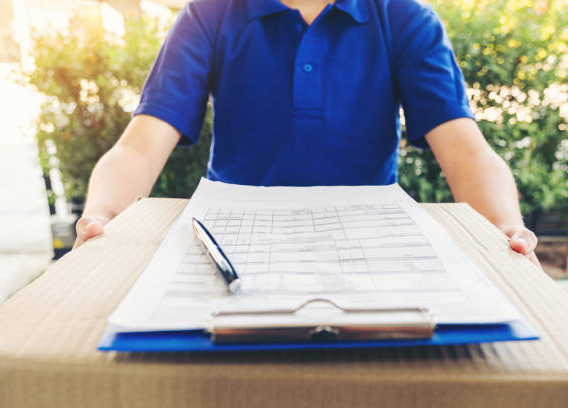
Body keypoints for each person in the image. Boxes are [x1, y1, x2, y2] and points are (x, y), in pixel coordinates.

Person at [73, 0, 539, 265]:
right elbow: (139, 147)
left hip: (369, 244)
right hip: (232, 241)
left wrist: (504, 228)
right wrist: (102, 216)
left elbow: (466, 151)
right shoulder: (209, 14)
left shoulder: (403, 17)